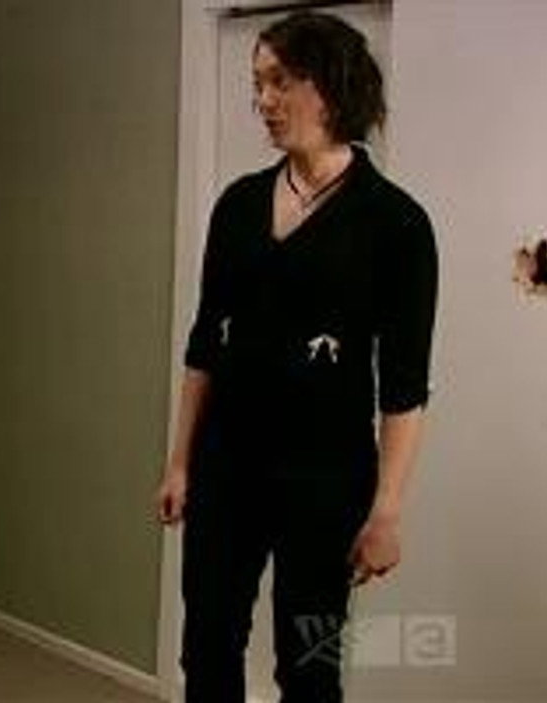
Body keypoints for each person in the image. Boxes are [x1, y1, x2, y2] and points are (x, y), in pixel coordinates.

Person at [155, 11, 438, 702]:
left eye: (280, 81)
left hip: (326, 482)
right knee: (207, 647)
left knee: (309, 666)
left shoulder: (396, 224)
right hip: (226, 469)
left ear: (332, 84)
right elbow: (204, 344)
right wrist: (180, 461)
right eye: (257, 83)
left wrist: (386, 512)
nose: (263, 101)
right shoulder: (238, 205)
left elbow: (404, 387)